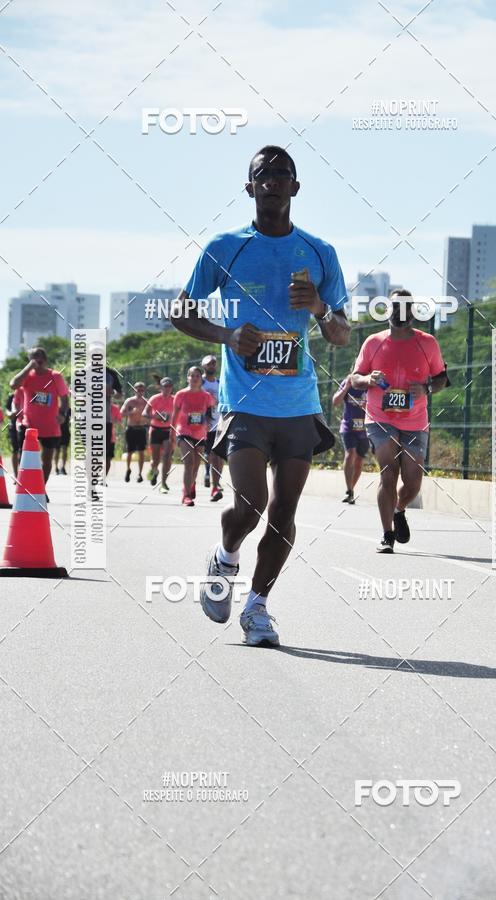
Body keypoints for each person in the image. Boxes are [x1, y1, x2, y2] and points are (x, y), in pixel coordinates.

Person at [171, 144, 350, 647]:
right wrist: (226, 336)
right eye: (262, 174)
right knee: (249, 504)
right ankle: (225, 557)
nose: (272, 180)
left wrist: (318, 306)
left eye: (282, 173)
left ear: (295, 187)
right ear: (249, 188)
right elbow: (181, 312)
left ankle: (258, 606)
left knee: (284, 513)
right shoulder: (224, 248)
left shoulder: (319, 253)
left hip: (298, 405)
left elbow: (341, 334)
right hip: (244, 403)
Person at [351, 290, 449, 553]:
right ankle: (387, 535)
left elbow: (442, 378)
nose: (400, 312)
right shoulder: (373, 342)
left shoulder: (427, 343)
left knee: (414, 480)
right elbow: (355, 378)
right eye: (395, 307)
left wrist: (427, 389)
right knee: (388, 473)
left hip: (415, 419)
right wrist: (368, 379)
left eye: (406, 307)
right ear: (387, 311)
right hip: (380, 417)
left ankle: (399, 508)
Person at [9, 347, 69, 485]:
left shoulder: (55, 376)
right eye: (33, 357)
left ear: (46, 359)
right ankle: (25, 485)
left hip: (50, 426)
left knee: (46, 460)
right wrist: (28, 367)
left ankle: (41, 488)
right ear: (29, 360)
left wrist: (62, 413)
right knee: (24, 457)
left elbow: (65, 399)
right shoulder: (26, 377)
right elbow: (13, 385)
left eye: (40, 356)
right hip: (28, 425)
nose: (37, 359)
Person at [172, 366, 215, 505]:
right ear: (188, 378)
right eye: (192, 376)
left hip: (200, 432)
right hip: (184, 430)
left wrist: (208, 423)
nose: (195, 378)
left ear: (200, 379)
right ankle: (186, 495)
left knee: (196, 465)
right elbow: (175, 415)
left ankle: (191, 484)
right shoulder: (181, 394)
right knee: (189, 462)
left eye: (197, 376)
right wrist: (172, 434)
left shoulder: (206, 396)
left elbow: (209, 414)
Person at [332, 374, 369, 504]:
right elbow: (335, 401)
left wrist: (368, 407)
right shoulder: (348, 382)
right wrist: (347, 386)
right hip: (348, 426)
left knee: (359, 461)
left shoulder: (371, 385)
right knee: (350, 453)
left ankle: (351, 490)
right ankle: (349, 489)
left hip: (364, 429)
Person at [143, 377, 175, 493]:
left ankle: (164, 483)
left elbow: (182, 413)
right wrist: (155, 417)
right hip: (155, 430)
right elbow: (145, 413)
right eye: (165, 386)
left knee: (167, 456)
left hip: (169, 430)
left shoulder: (175, 399)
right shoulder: (154, 398)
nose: (167, 389)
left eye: (169, 386)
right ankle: (154, 469)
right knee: (155, 459)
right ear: (161, 387)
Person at [200, 354, 224, 501]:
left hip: (218, 422)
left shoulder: (220, 383)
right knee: (207, 453)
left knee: (218, 454)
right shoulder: (199, 382)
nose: (212, 366)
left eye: (214, 364)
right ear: (204, 366)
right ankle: (207, 472)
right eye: (209, 364)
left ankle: (216, 481)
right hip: (201, 424)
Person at [120, 382, 147, 482]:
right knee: (130, 451)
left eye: (142, 389)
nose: (140, 391)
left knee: (141, 452)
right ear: (134, 390)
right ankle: (128, 469)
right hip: (131, 428)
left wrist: (145, 418)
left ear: (144, 391)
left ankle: (140, 474)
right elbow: (121, 413)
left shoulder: (146, 402)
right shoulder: (129, 401)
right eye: (138, 389)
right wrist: (131, 412)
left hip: (141, 429)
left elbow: (151, 415)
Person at [105, 367, 123, 477]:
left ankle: (101, 478)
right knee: (90, 451)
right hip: (87, 418)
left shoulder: (110, 374)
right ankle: (90, 480)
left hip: (105, 419)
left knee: (105, 454)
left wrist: (112, 392)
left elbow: (120, 394)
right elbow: (72, 391)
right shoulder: (83, 371)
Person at [5, 388, 24, 477]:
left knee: (23, 450)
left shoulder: (28, 393)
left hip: (25, 425)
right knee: (15, 450)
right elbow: (7, 410)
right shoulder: (11, 396)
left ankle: (23, 474)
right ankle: (16, 475)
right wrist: (11, 414)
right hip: (13, 425)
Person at [54, 405, 71, 474]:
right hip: (57, 431)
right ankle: (56, 468)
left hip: (65, 432)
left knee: (64, 450)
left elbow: (72, 418)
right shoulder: (56, 408)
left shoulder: (69, 409)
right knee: (57, 450)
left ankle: (63, 467)